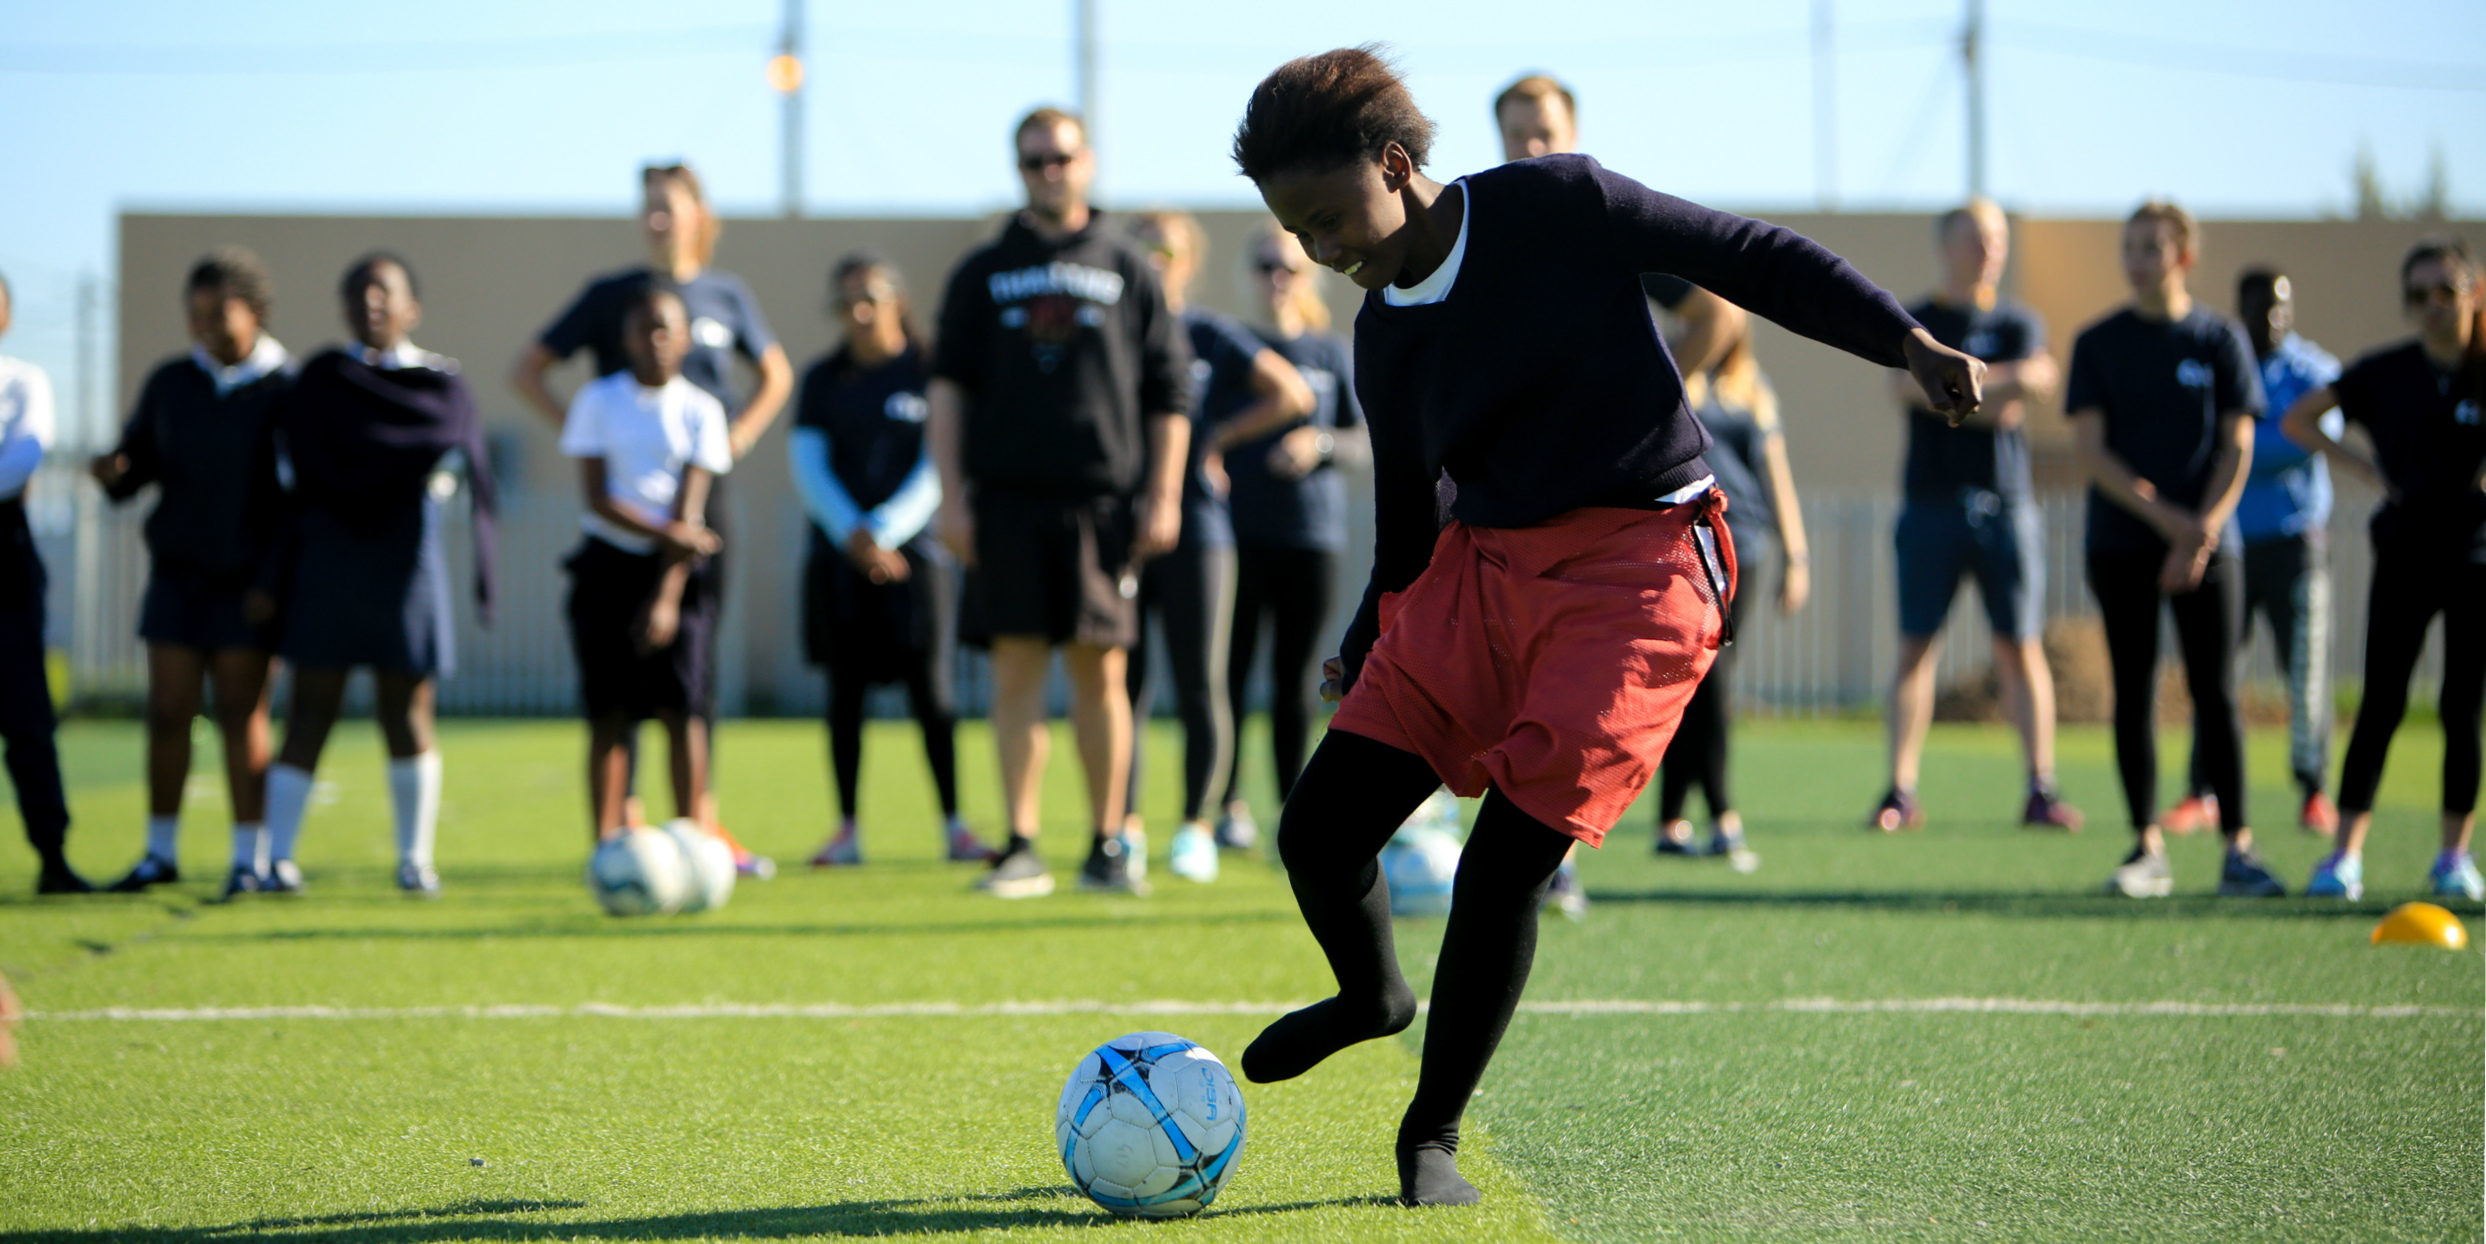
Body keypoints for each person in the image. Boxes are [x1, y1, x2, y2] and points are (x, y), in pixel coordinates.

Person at [1227, 47, 1985, 1205]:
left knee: (1500, 870)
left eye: (1328, 218)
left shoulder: (1555, 202)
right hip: (1485, 569)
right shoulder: (1383, 332)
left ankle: (1428, 1133)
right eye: (1298, 233)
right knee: (1318, 832)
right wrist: (1369, 628)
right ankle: (1369, 995)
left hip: (1640, 570)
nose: (1321, 252)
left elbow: (1746, 255)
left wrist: (1904, 341)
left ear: (1394, 163)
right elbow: (1403, 518)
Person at [1490, 71, 1756, 915]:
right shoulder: (1481, 227)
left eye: (1545, 131)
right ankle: (1528, 861)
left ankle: (1553, 860)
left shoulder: (1600, 219)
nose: (1530, 147)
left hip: (1613, 519)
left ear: (1572, 132)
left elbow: (1720, 308)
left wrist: (1664, 384)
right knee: (1511, 684)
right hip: (1516, 499)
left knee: (1580, 699)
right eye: (1516, 132)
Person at [928, 107, 1191, 899]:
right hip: (1004, 502)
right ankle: (1020, 845)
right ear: (1019, 169)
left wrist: (1165, 493)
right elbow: (948, 389)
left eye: (1062, 157)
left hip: (1102, 503)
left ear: (1088, 162)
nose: (1049, 171)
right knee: (1013, 674)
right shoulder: (980, 271)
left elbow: (1169, 391)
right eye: (1034, 160)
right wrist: (951, 499)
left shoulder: (1129, 266)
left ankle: (1110, 844)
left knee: (1100, 674)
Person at [511, 162, 790, 875]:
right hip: (625, 513)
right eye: (649, 209)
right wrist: (584, 430)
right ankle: (624, 830)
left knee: (689, 678)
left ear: (700, 213)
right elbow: (528, 368)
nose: (658, 220)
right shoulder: (612, 297)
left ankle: (704, 827)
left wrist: (738, 437)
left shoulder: (727, 295)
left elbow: (776, 375)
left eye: (670, 207)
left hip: (698, 506)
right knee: (615, 682)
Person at [255, 254, 497, 897]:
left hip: (405, 563)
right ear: (343, 307)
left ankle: (414, 861)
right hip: (328, 560)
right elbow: (304, 461)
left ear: (412, 308)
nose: (372, 304)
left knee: (409, 710)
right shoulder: (320, 379)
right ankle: (276, 861)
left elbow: (449, 448)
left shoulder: (441, 382)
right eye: (358, 293)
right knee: (310, 707)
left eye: (384, 293)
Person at [2068, 201, 2284, 899]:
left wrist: (2200, 534)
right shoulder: (2099, 342)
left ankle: (2239, 850)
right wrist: (2170, 522)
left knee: (2216, 693)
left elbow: (2238, 444)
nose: (2137, 259)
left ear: (2184, 256)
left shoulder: (2220, 338)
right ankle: (2146, 848)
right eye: (2129, 246)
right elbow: (2094, 453)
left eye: (2152, 248)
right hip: (2123, 543)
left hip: (2210, 547)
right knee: (2134, 691)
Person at [1871, 200, 2079, 832]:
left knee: (2019, 648)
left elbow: (2028, 393)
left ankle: (2039, 789)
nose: (1988, 248)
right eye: (1974, 237)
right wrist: (1999, 386)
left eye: (1996, 237)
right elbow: (1903, 387)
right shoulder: (1920, 319)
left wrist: (1955, 391)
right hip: (1930, 505)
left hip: (2007, 506)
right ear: (1946, 245)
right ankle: (1899, 793)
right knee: (1916, 649)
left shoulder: (2021, 320)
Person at [2288, 236, 2485, 901]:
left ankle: (2453, 858)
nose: (2432, 306)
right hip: (2404, 553)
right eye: (2418, 294)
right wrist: (2365, 469)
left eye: (2445, 292)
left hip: (2477, 559)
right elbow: (2299, 419)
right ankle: (2343, 856)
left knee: (2463, 707)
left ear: (2472, 294)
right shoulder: (2387, 373)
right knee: (2382, 704)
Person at [1122, 210, 1314, 885]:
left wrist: (1214, 442)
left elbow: (1290, 394)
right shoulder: (1112, 334)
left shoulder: (1204, 332)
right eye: (1139, 247)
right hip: (1121, 531)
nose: (1152, 259)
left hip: (1199, 528)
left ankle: (1196, 826)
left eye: (1165, 249)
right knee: (1126, 684)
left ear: (1188, 261)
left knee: (1201, 683)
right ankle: (1124, 828)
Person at [95, 248, 291, 901]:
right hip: (178, 578)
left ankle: (248, 859)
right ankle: (159, 854)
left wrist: (271, 582)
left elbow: (297, 502)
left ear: (256, 312)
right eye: (195, 315)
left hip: (249, 587)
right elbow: (137, 470)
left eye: (219, 314)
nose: (204, 327)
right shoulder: (171, 382)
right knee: (169, 711)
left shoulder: (284, 388)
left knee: (242, 714)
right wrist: (114, 475)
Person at [792, 254, 990, 868]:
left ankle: (955, 825)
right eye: (845, 300)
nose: (857, 312)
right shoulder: (824, 378)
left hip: (918, 561)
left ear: (897, 301)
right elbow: (808, 463)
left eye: (869, 298)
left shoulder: (932, 369)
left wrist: (884, 530)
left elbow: (939, 462)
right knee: (844, 695)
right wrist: (854, 534)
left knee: (932, 693)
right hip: (839, 561)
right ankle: (847, 829)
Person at [2163, 269, 2342, 837]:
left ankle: (2314, 790)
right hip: (2230, 546)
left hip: (2296, 543)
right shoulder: (2223, 362)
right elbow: (2212, 439)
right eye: (2259, 306)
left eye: (2279, 306)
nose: (2270, 318)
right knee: (2213, 674)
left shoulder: (2314, 370)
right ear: (2239, 308)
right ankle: (2200, 791)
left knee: (2305, 670)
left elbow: (2309, 436)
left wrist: (2241, 443)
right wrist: (2253, 439)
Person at [558, 283, 729, 842]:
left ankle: (691, 839)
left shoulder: (702, 410)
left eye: (666, 329)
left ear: (684, 339)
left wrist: (667, 596)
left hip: (675, 574)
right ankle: (607, 845)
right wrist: (669, 532)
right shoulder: (598, 401)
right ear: (626, 339)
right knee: (609, 714)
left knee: (684, 712)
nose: (655, 340)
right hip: (608, 566)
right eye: (643, 329)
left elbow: (691, 510)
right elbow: (598, 498)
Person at [1217, 225, 1366, 850]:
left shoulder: (1330, 352)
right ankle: (1223, 806)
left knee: (1293, 678)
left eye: (1288, 266)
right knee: (1229, 672)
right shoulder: (1235, 348)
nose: (1276, 277)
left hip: (1311, 536)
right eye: (1264, 266)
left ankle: (1288, 806)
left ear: (1308, 274)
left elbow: (1362, 441)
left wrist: (1320, 443)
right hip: (1237, 534)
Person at [1653, 310, 1809, 867]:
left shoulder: (1752, 387)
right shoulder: (1671, 371)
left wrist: (1797, 556)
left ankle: (1674, 821)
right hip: (1688, 542)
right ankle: (1720, 817)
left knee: (1707, 679)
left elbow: (1777, 477)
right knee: (1698, 679)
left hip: (1748, 545)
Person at [0, 270, 84, 894]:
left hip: (6, 560)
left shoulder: (23, 380)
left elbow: (25, 458)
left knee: (26, 714)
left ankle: (52, 855)